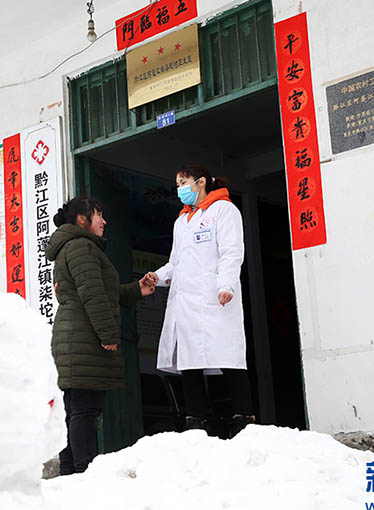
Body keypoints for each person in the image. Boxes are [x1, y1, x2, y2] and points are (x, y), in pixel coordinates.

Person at [47, 196, 156, 474]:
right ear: (82, 219)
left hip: (76, 336)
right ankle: (84, 472)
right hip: (83, 337)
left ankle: (71, 473)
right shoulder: (81, 247)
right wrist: (108, 335)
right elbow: (93, 295)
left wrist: (136, 289)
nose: (104, 221)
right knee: (84, 409)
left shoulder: (74, 247)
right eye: (98, 215)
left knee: (76, 409)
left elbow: (103, 291)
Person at [145, 163, 255, 438]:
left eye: (184, 183)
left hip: (215, 298)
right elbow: (176, 263)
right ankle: (196, 420)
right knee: (190, 361)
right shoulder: (182, 221)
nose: (180, 189)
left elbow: (231, 252)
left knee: (228, 357)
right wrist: (157, 277)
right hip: (186, 303)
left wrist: (226, 284)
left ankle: (243, 419)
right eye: (178, 184)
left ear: (202, 182)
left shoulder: (224, 210)